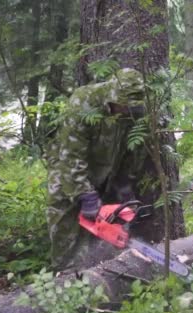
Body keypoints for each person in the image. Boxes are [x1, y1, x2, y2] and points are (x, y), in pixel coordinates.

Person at [45, 68, 147, 270]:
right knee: (63, 224)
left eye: (130, 107)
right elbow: (71, 154)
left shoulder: (137, 108)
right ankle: (63, 273)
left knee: (108, 225)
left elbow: (134, 147)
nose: (126, 111)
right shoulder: (84, 101)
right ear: (112, 97)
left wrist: (125, 180)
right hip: (68, 171)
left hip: (108, 171)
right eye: (122, 106)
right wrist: (85, 194)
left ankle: (99, 270)